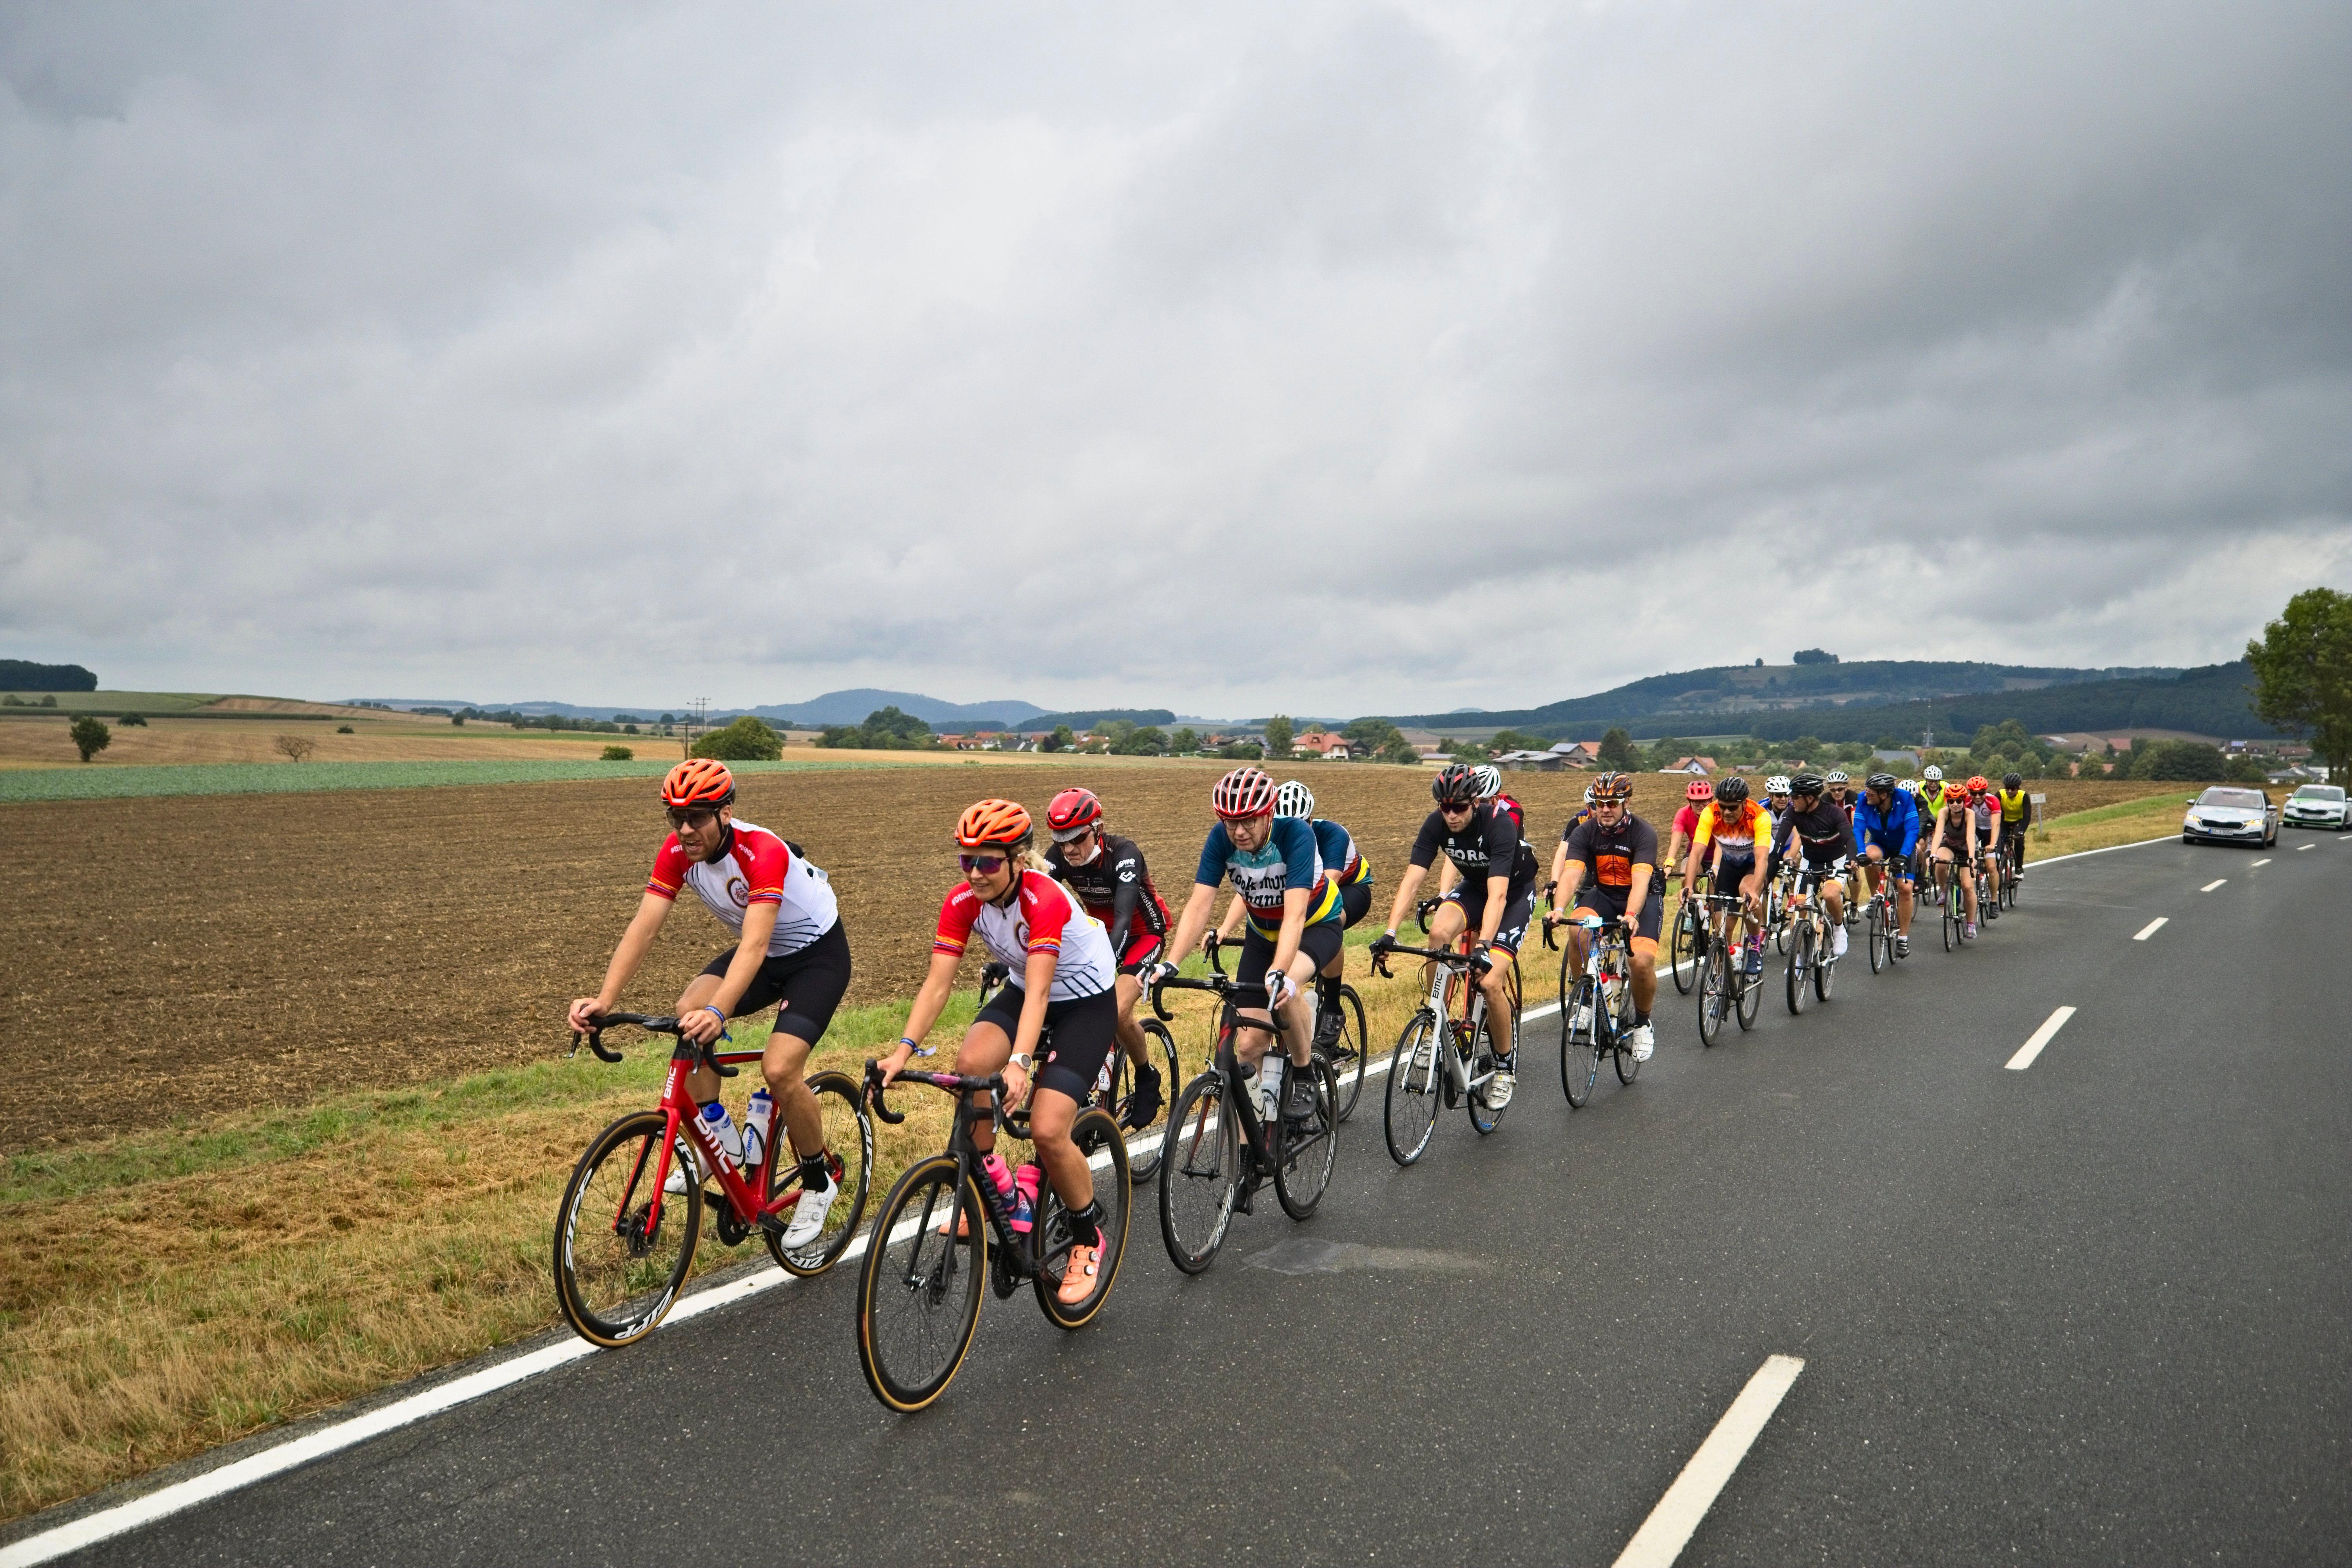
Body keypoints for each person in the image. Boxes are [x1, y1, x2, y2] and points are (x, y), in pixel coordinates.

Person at [568, 760, 853, 1247]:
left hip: (815, 957)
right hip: (763, 954)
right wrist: (604, 999)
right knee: (688, 1011)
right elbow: (645, 927)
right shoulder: (678, 853)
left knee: (780, 1069)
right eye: (675, 817)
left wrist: (719, 1012)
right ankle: (717, 1140)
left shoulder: (761, 851)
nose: (685, 829)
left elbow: (755, 944)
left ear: (726, 812)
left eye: (697, 816)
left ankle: (817, 1179)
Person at [875, 800, 1119, 1307]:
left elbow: (1041, 993)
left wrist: (1021, 1063)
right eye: (967, 861)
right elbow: (938, 984)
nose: (975, 873)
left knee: (1048, 1128)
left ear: (1018, 859)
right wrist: (902, 1052)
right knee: (969, 1069)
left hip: (1085, 1001)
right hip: (1025, 989)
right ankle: (1002, 1193)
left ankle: (1087, 1233)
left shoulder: (1042, 898)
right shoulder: (963, 901)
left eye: (987, 861)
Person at [1146, 768, 1340, 1185]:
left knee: (1287, 992)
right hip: (1261, 934)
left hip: (1315, 926)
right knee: (1249, 1045)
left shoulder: (1296, 836)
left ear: (1268, 814)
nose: (1238, 831)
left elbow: (1295, 915)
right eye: (1229, 821)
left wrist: (1280, 971)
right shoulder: (1221, 839)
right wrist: (1171, 962)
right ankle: (1252, 1153)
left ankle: (1304, 1072)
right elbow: (1200, 904)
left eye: (1248, 820)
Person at [1376, 762, 1540, 1107]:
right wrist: (1390, 933)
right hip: (1475, 888)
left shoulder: (1498, 824)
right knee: (1438, 933)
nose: (1451, 815)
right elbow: (1412, 880)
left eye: (1459, 808)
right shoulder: (1436, 823)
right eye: (1444, 807)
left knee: (1490, 982)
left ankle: (1504, 1067)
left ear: (1475, 802)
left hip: (1513, 895)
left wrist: (1484, 945)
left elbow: (1498, 896)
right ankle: (1436, 1020)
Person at [1042, 786, 1171, 1132]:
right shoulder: (1058, 857)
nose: (1069, 849)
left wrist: (1103, 963)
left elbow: (1125, 918)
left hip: (1143, 934)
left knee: (1114, 1010)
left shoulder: (1124, 853)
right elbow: (1032, 906)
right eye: (1061, 840)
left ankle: (1146, 1076)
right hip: (1099, 934)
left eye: (1078, 838)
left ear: (1097, 828)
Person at [1214, 780, 1372, 1051]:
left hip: (1348, 888)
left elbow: (1323, 890)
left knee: (1333, 919)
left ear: (1311, 819)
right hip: (1299, 893)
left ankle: (1332, 1006)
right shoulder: (1274, 841)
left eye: (1301, 823)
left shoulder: (1333, 835)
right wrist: (1225, 928)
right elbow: (1253, 890)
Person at [1544, 771, 1663, 1060]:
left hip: (1643, 898)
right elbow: (1572, 874)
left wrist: (1632, 914)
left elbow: (1641, 882)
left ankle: (1643, 1023)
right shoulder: (1584, 832)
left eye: (1612, 803)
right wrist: (1559, 909)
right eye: (1600, 803)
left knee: (1641, 961)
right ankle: (1587, 998)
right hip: (1605, 895)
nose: (1605, 809)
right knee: (1578, 930)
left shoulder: (1643, 833)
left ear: (1626, 802)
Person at [1686, 775, 1774, 975]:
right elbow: (1697, 852)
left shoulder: (1759, 817)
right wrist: (1689, 885)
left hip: (1753, 866)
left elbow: (1762, 859)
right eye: (1723, 806)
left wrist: (1755, 890)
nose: (1726, 812)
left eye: (1733, 808)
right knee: (1722, 930)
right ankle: (1719, 982)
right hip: (1729, 866)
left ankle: (1755, 946)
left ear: (1744, 803)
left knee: (1747, 892)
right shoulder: (1711, 813)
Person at [1770, 772, 1859, 961]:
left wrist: (1852, 860)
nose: (1791, 801)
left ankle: (1839, 928)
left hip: (1835, 861)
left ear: (1810, 798)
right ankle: (1798, 961)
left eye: (1795, 797)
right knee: (1800, 908)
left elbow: (1849, 839)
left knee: (1830, 895)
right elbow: (1780, 842)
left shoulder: (1834, 813)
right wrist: (1769, 871)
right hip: (1810, 862)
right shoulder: (1793, 813)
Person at [1851, 772, 1920, 956]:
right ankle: (1875, 897)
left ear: (1884, 795)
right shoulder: (1863, 800)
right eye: (1866, 791)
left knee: (1905, 888)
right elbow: (1858, 829)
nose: (1866, 794)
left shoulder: (1904, 798)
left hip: (1903, 846)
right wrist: (1860, 852)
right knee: (1870, 858)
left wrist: (1904, 855)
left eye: (1871, 792)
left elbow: (1913, 829)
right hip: (1880, 842)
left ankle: (1903, 937)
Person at [1927, 776, 1981, 938]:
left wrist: (1971, 858)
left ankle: (1970, 924)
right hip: (1950, 843)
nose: (1955, 804)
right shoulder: (1944, 813)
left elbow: (1970, 836)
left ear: (1964, 801)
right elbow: (1938, 834)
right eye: (1951, 801)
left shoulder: (1969, 814)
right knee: (1940, 863)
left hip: (1966, 848)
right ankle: (1944, 892)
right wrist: (1933, 854)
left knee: (1968, 886)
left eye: (1959, 801)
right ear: (1947, 802)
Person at [1997, 772, 2032, 881]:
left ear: (2018, 788)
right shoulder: (2000, 794)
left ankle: (2019, 868)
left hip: (2019, 821)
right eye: (2007, 788)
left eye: (2012, 789)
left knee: (2018, 838)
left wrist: (2022, 831)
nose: (2009, 791)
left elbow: (2027, 816)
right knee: (2000, 840)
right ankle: (2000, 863)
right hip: (2005, 821)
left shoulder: (2024, 796)